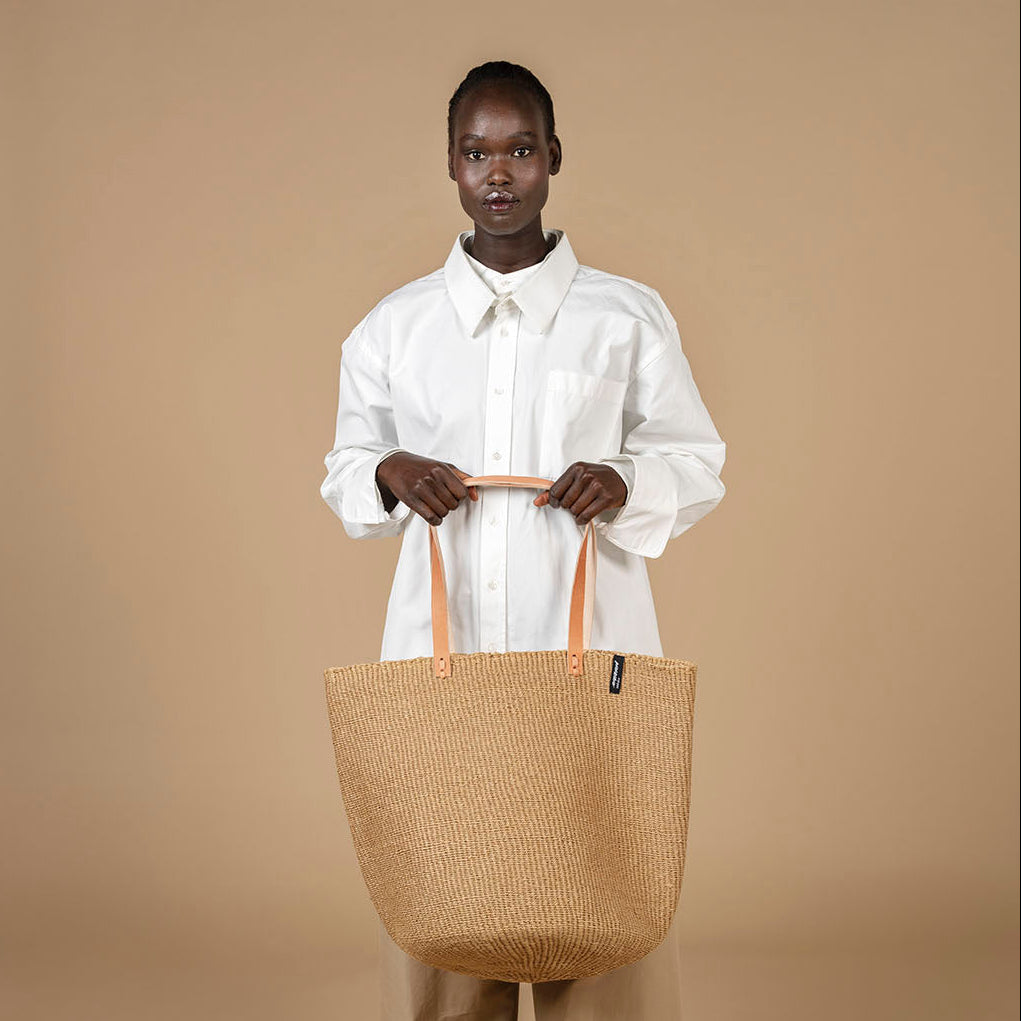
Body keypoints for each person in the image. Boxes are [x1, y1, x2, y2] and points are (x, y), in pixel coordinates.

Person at [320, 60, 726, 1021]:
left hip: (588, 664)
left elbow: (696, 460)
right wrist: (387, 471)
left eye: (518, 149)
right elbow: (343, 470)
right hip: (440, 659)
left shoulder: (623, 318)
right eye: (475, 152)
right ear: (450, 166)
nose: (497, 173)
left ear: (552, 159)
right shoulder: (394, 328)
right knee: (447, 932)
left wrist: (625, 480)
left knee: (605, 921)